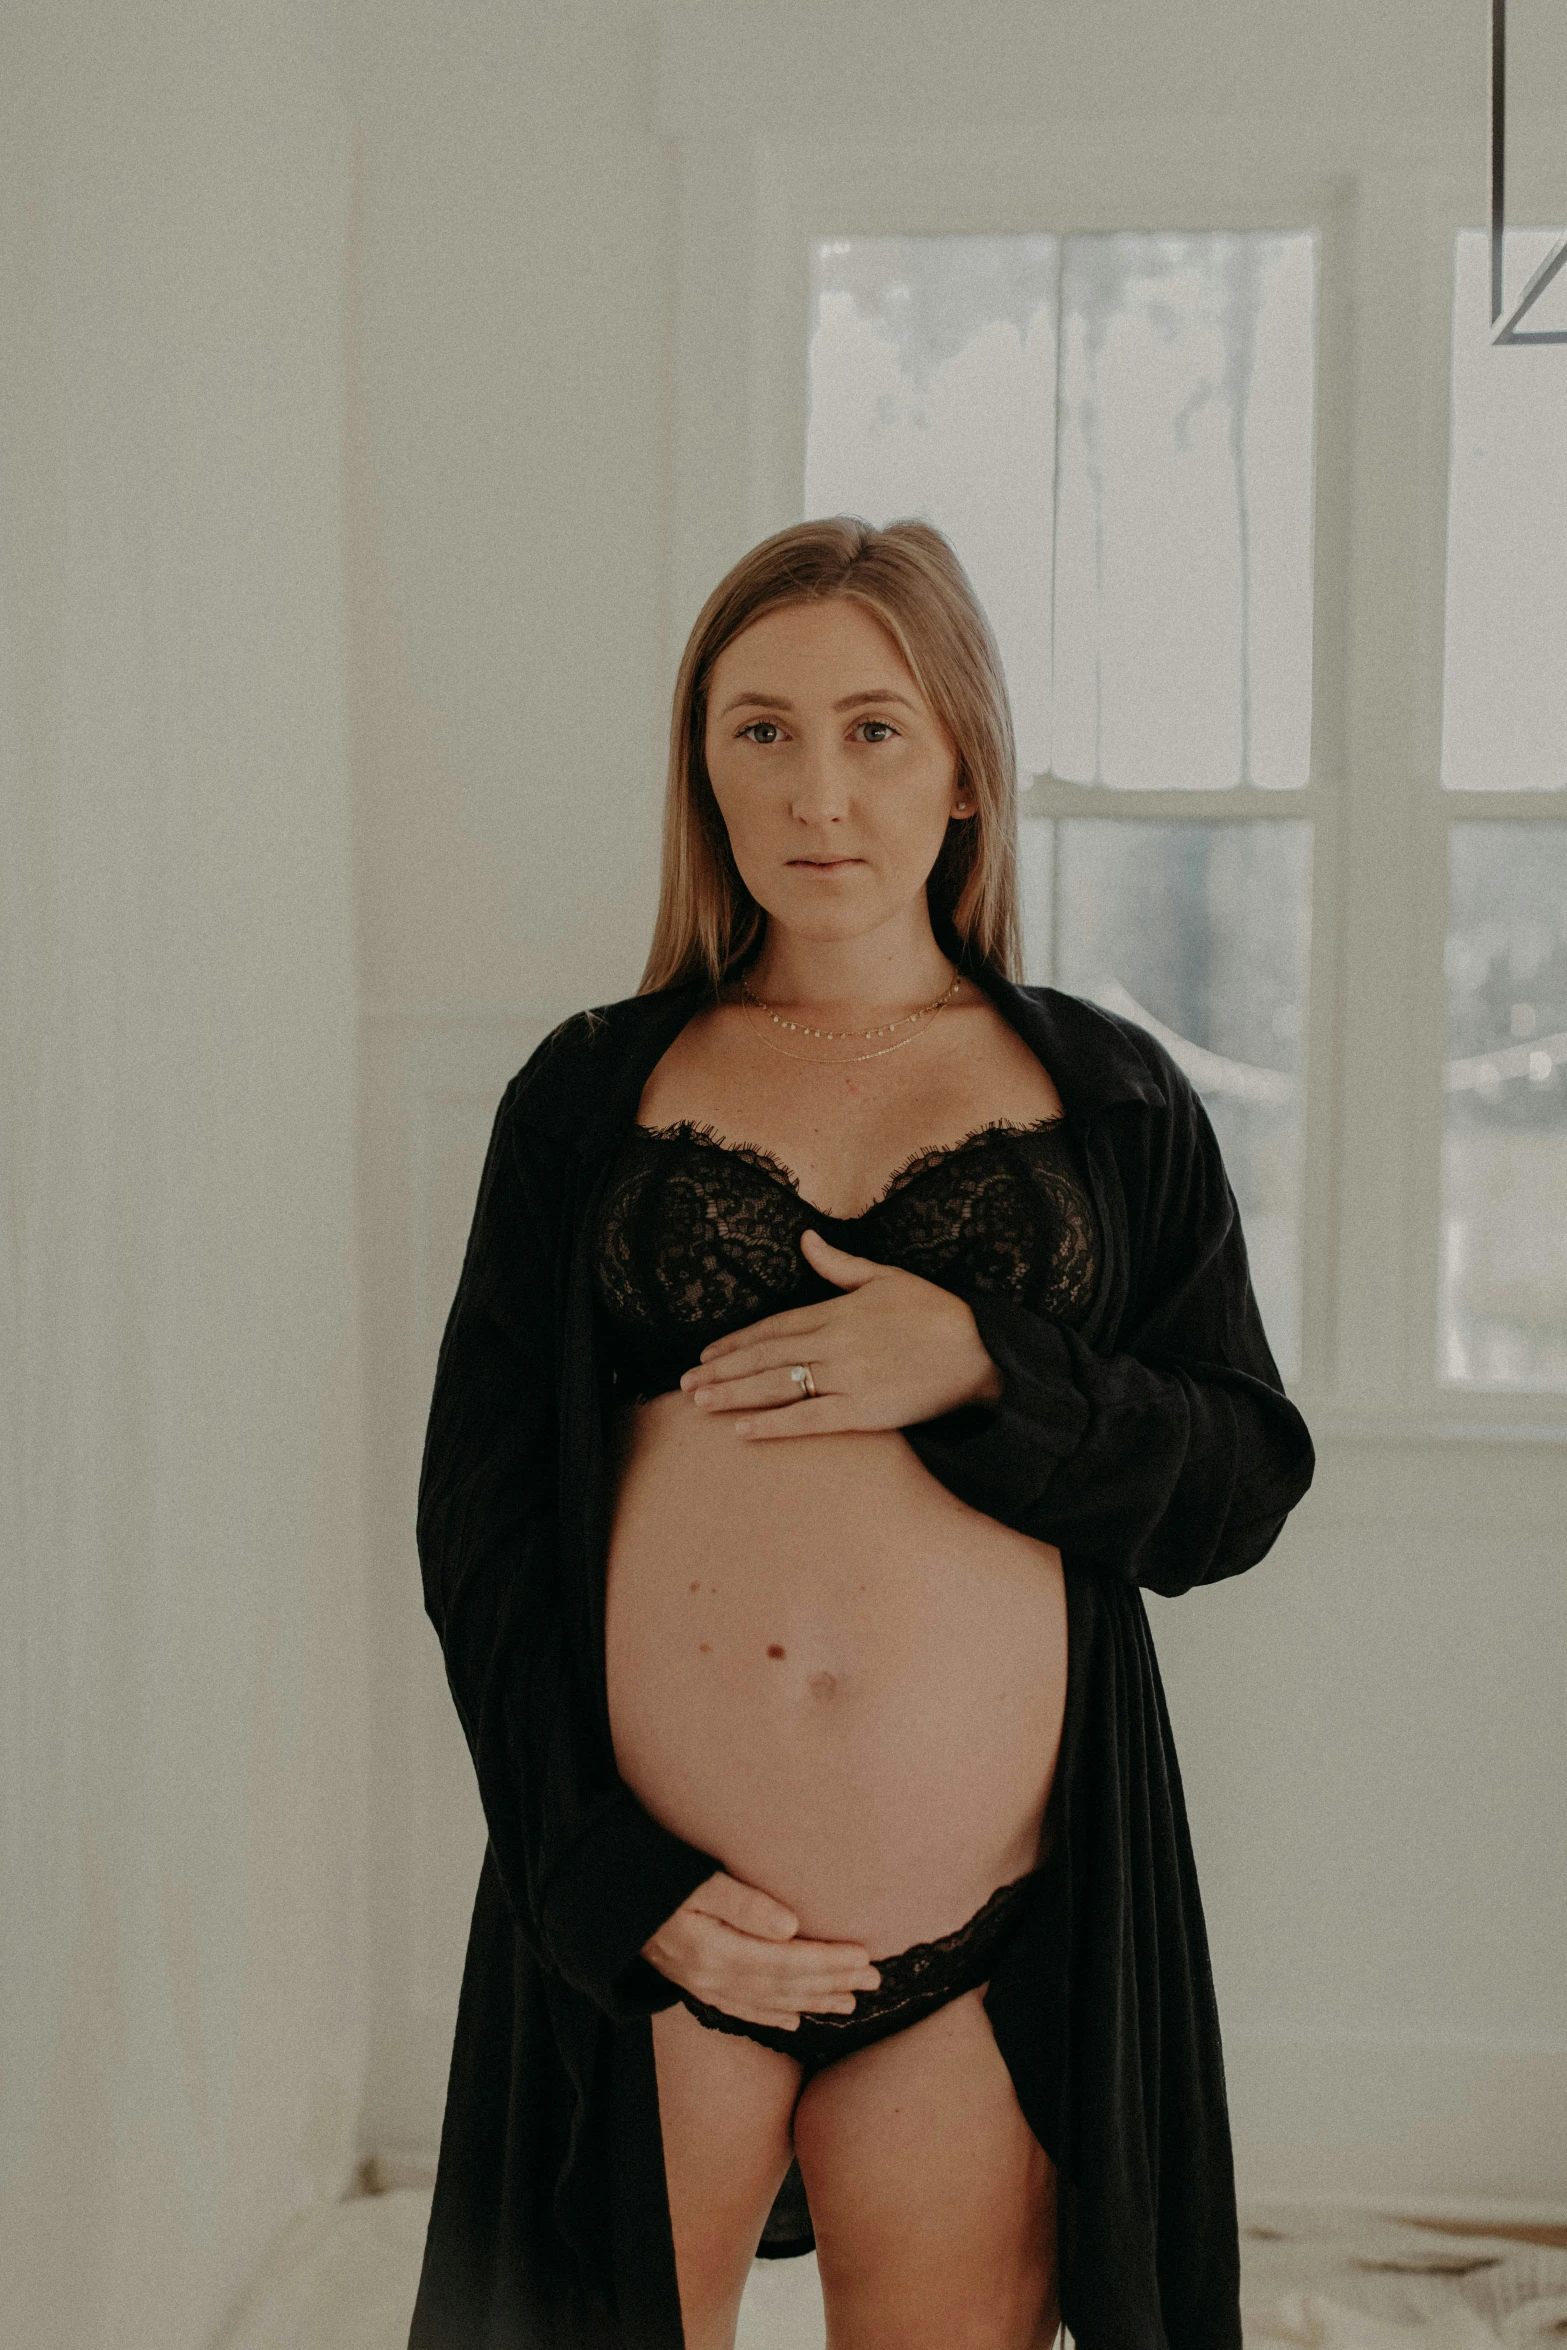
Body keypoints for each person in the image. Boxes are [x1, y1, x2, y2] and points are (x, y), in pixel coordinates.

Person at [406, 517, 1315, 2350]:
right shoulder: (590, 1090)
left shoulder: (1108, 1091)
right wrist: (605, 1882)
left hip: (984, 1948)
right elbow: (477, 1520)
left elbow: (1235, 1476)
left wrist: (984, 1363)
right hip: (662, 1935)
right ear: (701, 763)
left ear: (965, 763)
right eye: (759, 730)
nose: (817, 788)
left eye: (873, 728)